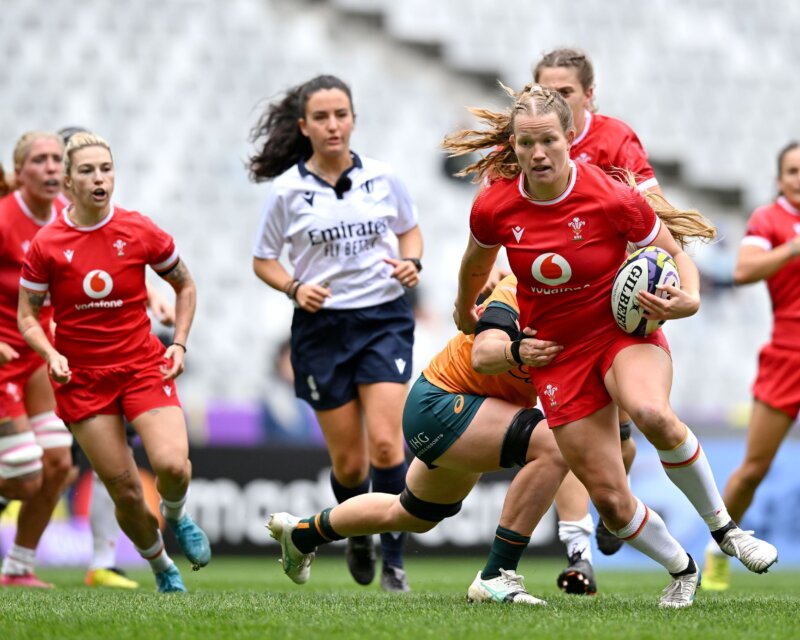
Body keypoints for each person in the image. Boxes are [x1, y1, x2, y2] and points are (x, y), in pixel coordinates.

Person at [445, 83, 778, 608]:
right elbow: (475, 264)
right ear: (514, 145)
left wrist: (689, 298)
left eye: (549, 141)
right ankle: (683, 569)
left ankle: (727, 531)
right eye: (526, 142)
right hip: (557, 354)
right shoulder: (495, 206)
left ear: (569, 136)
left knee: (650, 411)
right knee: (612, 502)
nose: (538, 153)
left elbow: (675, 254)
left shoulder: (610, 194)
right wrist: (465, 310)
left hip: (620, 332)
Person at [268, 274, 569, 604]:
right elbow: (483, 355)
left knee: (411, 514)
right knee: (553, 444)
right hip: (442, 402)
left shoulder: (580, 311)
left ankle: (302, 534)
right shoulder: (520, 287)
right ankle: (496, 575)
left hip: (474, 410)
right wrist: (514, 347)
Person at [249, 75, 423, 592]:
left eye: (341, 114)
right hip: (322, 329)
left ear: (353, 119)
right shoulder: (287, 191)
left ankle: (394, 562)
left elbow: (410, 230)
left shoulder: (383, 177)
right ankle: (358, 533)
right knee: (349, 464)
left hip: (383, 318)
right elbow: (263, 260)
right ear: (304, 126)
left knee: (387, 446)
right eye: (321, 117)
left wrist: (412, 261)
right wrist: (294, 287)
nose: (333, 125)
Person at [17, 132, 210, 593]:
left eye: (105, 169)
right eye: (87, 171)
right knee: (124, 489)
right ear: (69, 181)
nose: (99, 178)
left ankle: (177, 514)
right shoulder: (47, 244)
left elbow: (185, 285)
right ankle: (162, 567)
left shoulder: (138, 229)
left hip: (142, 367)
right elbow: (27, 315)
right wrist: (51, 353)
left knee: (173, 467)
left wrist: (179, 344)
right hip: (83, 379)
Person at [532, 47, 662, 587]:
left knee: (621, 438)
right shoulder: (528, 140)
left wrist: (666, 263)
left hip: (613, 304)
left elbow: (654, 208)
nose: (554, 101)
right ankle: (577, 549)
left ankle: (614, 508)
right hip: (552, 303)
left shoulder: (615, 139)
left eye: (564, 92)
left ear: (589, 95)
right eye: (545, 92)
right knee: (562, 430)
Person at [703, 141, 800, 590]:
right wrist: (793, 248)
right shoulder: (769, 220)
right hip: (787, 356)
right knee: (754, 469)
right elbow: (742, 271)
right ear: (779, 180)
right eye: (793, 171)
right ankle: (718, 547)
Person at [0, 132, 74, 588]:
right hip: (3, 359)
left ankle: (17, 568)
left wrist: (148, 294)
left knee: (59, 464)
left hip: (38, 357)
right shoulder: (4, 218)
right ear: (19, 170)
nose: (51, 167)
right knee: (25, 477)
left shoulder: (68, 215)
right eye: (40, 159)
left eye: (56, 159)